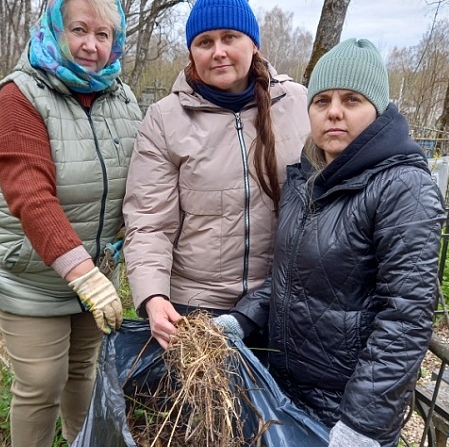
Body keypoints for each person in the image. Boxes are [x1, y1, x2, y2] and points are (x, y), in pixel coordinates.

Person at [216, 38, 446, 447]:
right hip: (284, 389)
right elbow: (286, 280)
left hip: (344, 411)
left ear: (377, 109)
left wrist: (361, 427)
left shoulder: (402, 188)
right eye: (321, 100)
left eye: (351, 99)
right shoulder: (306, 181)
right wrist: (243, 319)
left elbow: (406, 319)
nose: (334, 111)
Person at [0, 0, 141, 447]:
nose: (91, 45)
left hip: (97, 269)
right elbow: (30, 193)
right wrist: (81, 272)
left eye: (103, 34)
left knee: (82, 370)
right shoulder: (21, 95)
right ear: (55, 30)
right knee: (40, 381)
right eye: (79, 30)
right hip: (33, 273)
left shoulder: (120, 97)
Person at [122, 0, 310, 350]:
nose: (218, 52)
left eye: (230, 37)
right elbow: (149, 221)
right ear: (191, 52)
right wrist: (153, 295)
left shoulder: (298, 104)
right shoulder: (166, 119)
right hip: (196, 309)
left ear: (253, 44)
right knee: (206, 405)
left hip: (282, 297)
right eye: (205, 42)